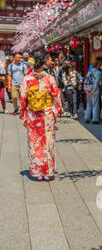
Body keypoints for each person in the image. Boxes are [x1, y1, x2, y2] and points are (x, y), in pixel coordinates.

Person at [19, 50, 62, 181]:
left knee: (35, 142)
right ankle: (47, 172)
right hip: (47, 114)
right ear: (43, 62)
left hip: (33, 115)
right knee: (48, 142)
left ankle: (37, 172)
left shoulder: (27, 79)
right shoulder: (50, 79)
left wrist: (23, 113)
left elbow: (23, 98)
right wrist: (57, 111)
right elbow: (56, 96)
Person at [84, 58, 102, 124]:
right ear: (98, 65)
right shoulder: (98, 73)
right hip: (95, 90)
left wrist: (87, 90)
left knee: (89, 104)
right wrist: (93, 91)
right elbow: (97, 83)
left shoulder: (89, 72)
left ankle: (86, 117)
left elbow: (86, 81)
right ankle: (95, 119)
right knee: (95, 105)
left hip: (88, 89)